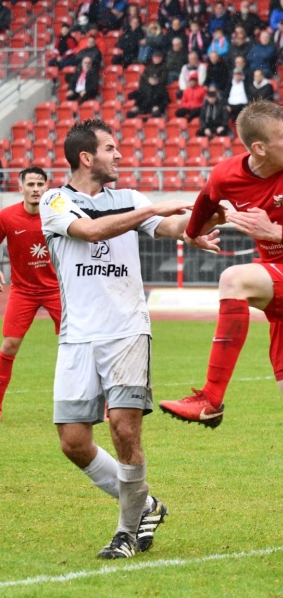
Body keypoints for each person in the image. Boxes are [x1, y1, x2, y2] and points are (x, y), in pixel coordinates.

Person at [158, 101, 283, 569]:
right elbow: (209, 198)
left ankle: (210, 398)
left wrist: (278, 230)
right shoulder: (230, 173)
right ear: (258, 147)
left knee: (234, 280)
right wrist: (193, 233)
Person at [39, 119, 219, 559]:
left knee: (123, 427)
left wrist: (194, 226)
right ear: (87, 158)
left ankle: (126, 531)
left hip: (126, 330)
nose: (119, 156)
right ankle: (145, 504)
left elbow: (170, 228)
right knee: (74, 442)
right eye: (110, 148)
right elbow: (92, 231)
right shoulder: (54, 200)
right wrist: (155, 209)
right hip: (77, 335)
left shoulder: (132, 198)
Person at [0, 168, 62, 420]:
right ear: (21, 188)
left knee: (81, 345)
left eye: (40, 184)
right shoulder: (6, 216)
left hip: (57, 289)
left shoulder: (58, 214)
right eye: (31, 184)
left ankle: (100, 404)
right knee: (9, 345)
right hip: (22, 290)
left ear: (47, 187)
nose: (36, 188)